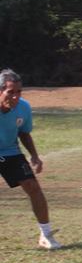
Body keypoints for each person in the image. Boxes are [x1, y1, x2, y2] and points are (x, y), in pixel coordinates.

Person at [0, 69, 62, 249]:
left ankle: (46, 234)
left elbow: (24, 133)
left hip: (10, 152)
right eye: (10, 92)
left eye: (19, 92)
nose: (16, 97)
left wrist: (34, 155)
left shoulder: (24, 107)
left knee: (33, 187)